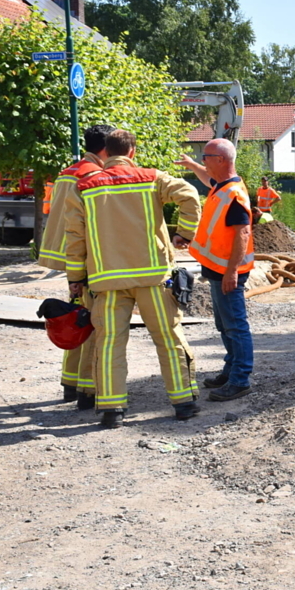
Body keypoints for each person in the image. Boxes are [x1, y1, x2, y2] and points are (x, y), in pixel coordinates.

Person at [65, 130, 202, 428]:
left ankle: (112, 410)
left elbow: (74, 236)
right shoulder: (152, 177)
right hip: (152, 276)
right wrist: (184, 234)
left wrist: (75, 276)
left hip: (107, 280)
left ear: (105, 152)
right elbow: (190, 196)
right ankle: (184, 403)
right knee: (168, 338)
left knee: (110, 343)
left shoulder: (84, 186)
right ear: (132, 152)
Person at [37, 124, 113, 409]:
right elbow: (87, 226)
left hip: (70, 259)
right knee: (94, 323)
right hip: (88, 261)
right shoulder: (92, 176)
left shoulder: (68, 171)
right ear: (105, 149)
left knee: (77, 318)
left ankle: (70, 383)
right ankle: (88, 389)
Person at [176, 139, 255, 402]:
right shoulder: (221, 186)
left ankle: (240, 380)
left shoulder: (233, 194)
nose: (204, 160)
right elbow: (206, 177)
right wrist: (191, 165)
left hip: (227, 271)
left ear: (220, 160)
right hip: (217, 268)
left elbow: (242, 233)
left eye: (206, 156)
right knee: (225, 325)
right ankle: (231, 370)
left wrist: (232, 272)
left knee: (235, 326)